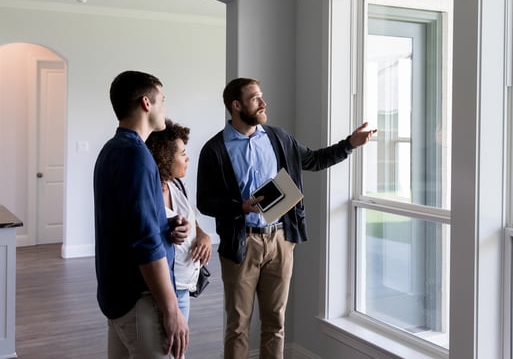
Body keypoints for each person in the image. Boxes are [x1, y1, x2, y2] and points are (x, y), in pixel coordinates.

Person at [196, 77, 376, 359]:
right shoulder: (215, 149)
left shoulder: (278, 138)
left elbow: (314, 160)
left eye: (261, 96)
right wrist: (241, 207)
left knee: (276, 323)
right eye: (255, 98)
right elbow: (205, 202)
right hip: (241, 244)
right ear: (236, 105)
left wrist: (350, 143)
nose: (263, 102)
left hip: (281, 241)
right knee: (237, 327)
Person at [93, 70, 189, 359]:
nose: (164, 108)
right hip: (141, 301)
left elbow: (126, 221)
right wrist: (171, 308)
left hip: (117, 298)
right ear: (147, 103)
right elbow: (145, 242)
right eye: (163, 100)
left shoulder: (112, 149)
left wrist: (167, 223)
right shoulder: (136, 155)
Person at [146, 119, 212, 320]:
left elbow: (192, 220)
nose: (187, 159)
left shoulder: (177, 185)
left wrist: (203, 235)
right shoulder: (149, 193)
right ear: (165, 158)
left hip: (185, 288)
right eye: (182, 154)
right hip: (164, 292)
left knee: (179, 351)